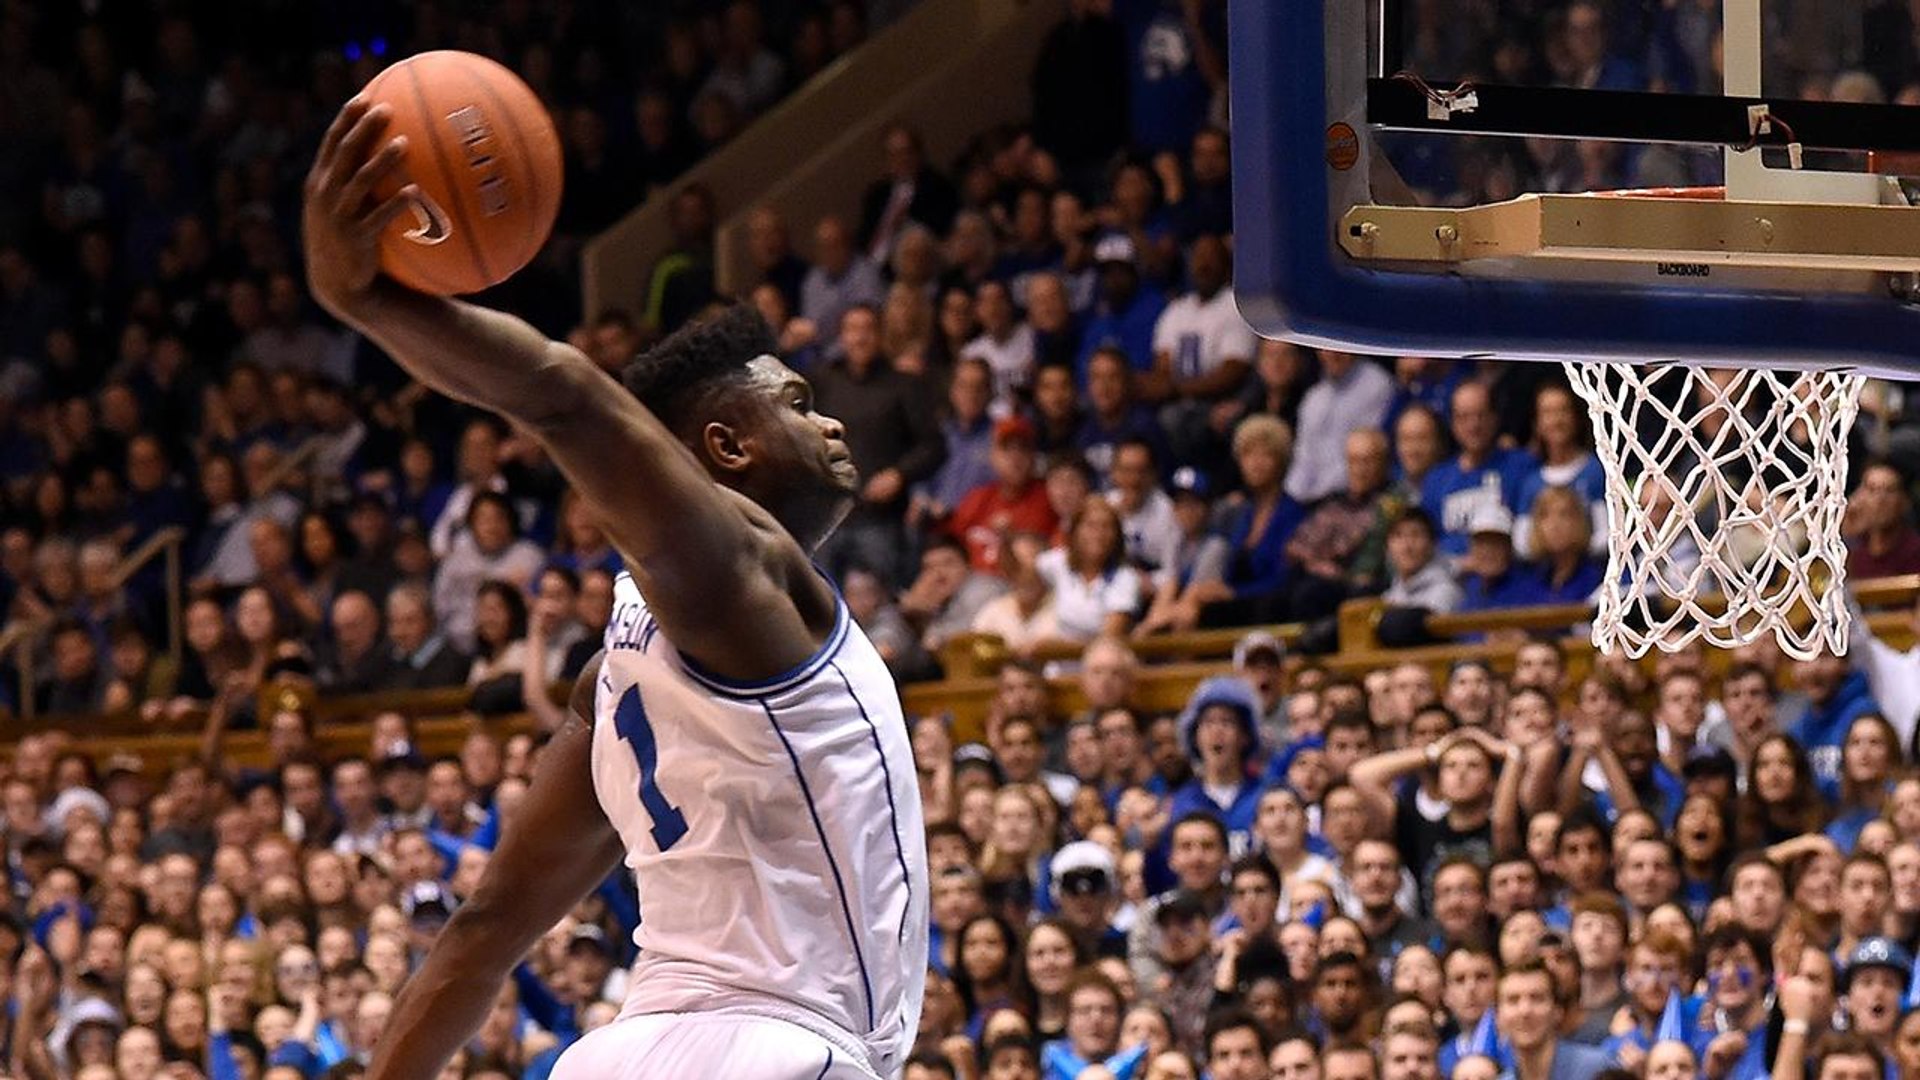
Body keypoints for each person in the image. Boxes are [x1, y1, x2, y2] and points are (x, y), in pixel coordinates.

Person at [305, 100, 925, 1079]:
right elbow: (567, 397)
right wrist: (370, 301)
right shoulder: (746, 578)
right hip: (781, 1048)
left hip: (624, 1053)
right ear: (726, 448)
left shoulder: (616, 673)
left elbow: (487, 929)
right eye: (800, 406)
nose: (834, 424)